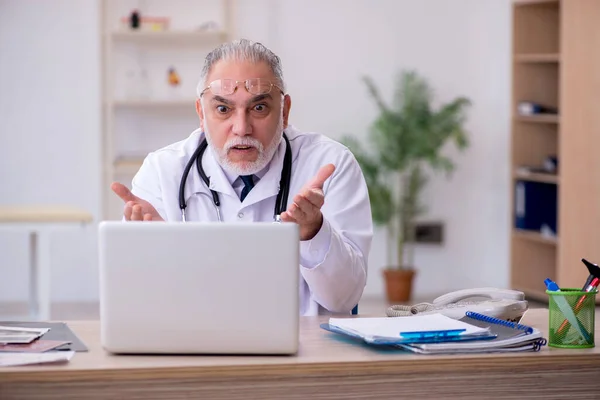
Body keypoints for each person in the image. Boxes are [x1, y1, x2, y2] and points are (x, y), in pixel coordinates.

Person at [111, 39, 373, 316]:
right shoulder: (162, 172)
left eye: (259, 108)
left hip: (306, 352)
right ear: (201, 113)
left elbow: (344, 299)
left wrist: (314, 231)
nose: (241, 128)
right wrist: (157, 255)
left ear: (285, 111)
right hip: (197, 348)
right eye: (223, 109)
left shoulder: (330, 165)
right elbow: (139, 305)